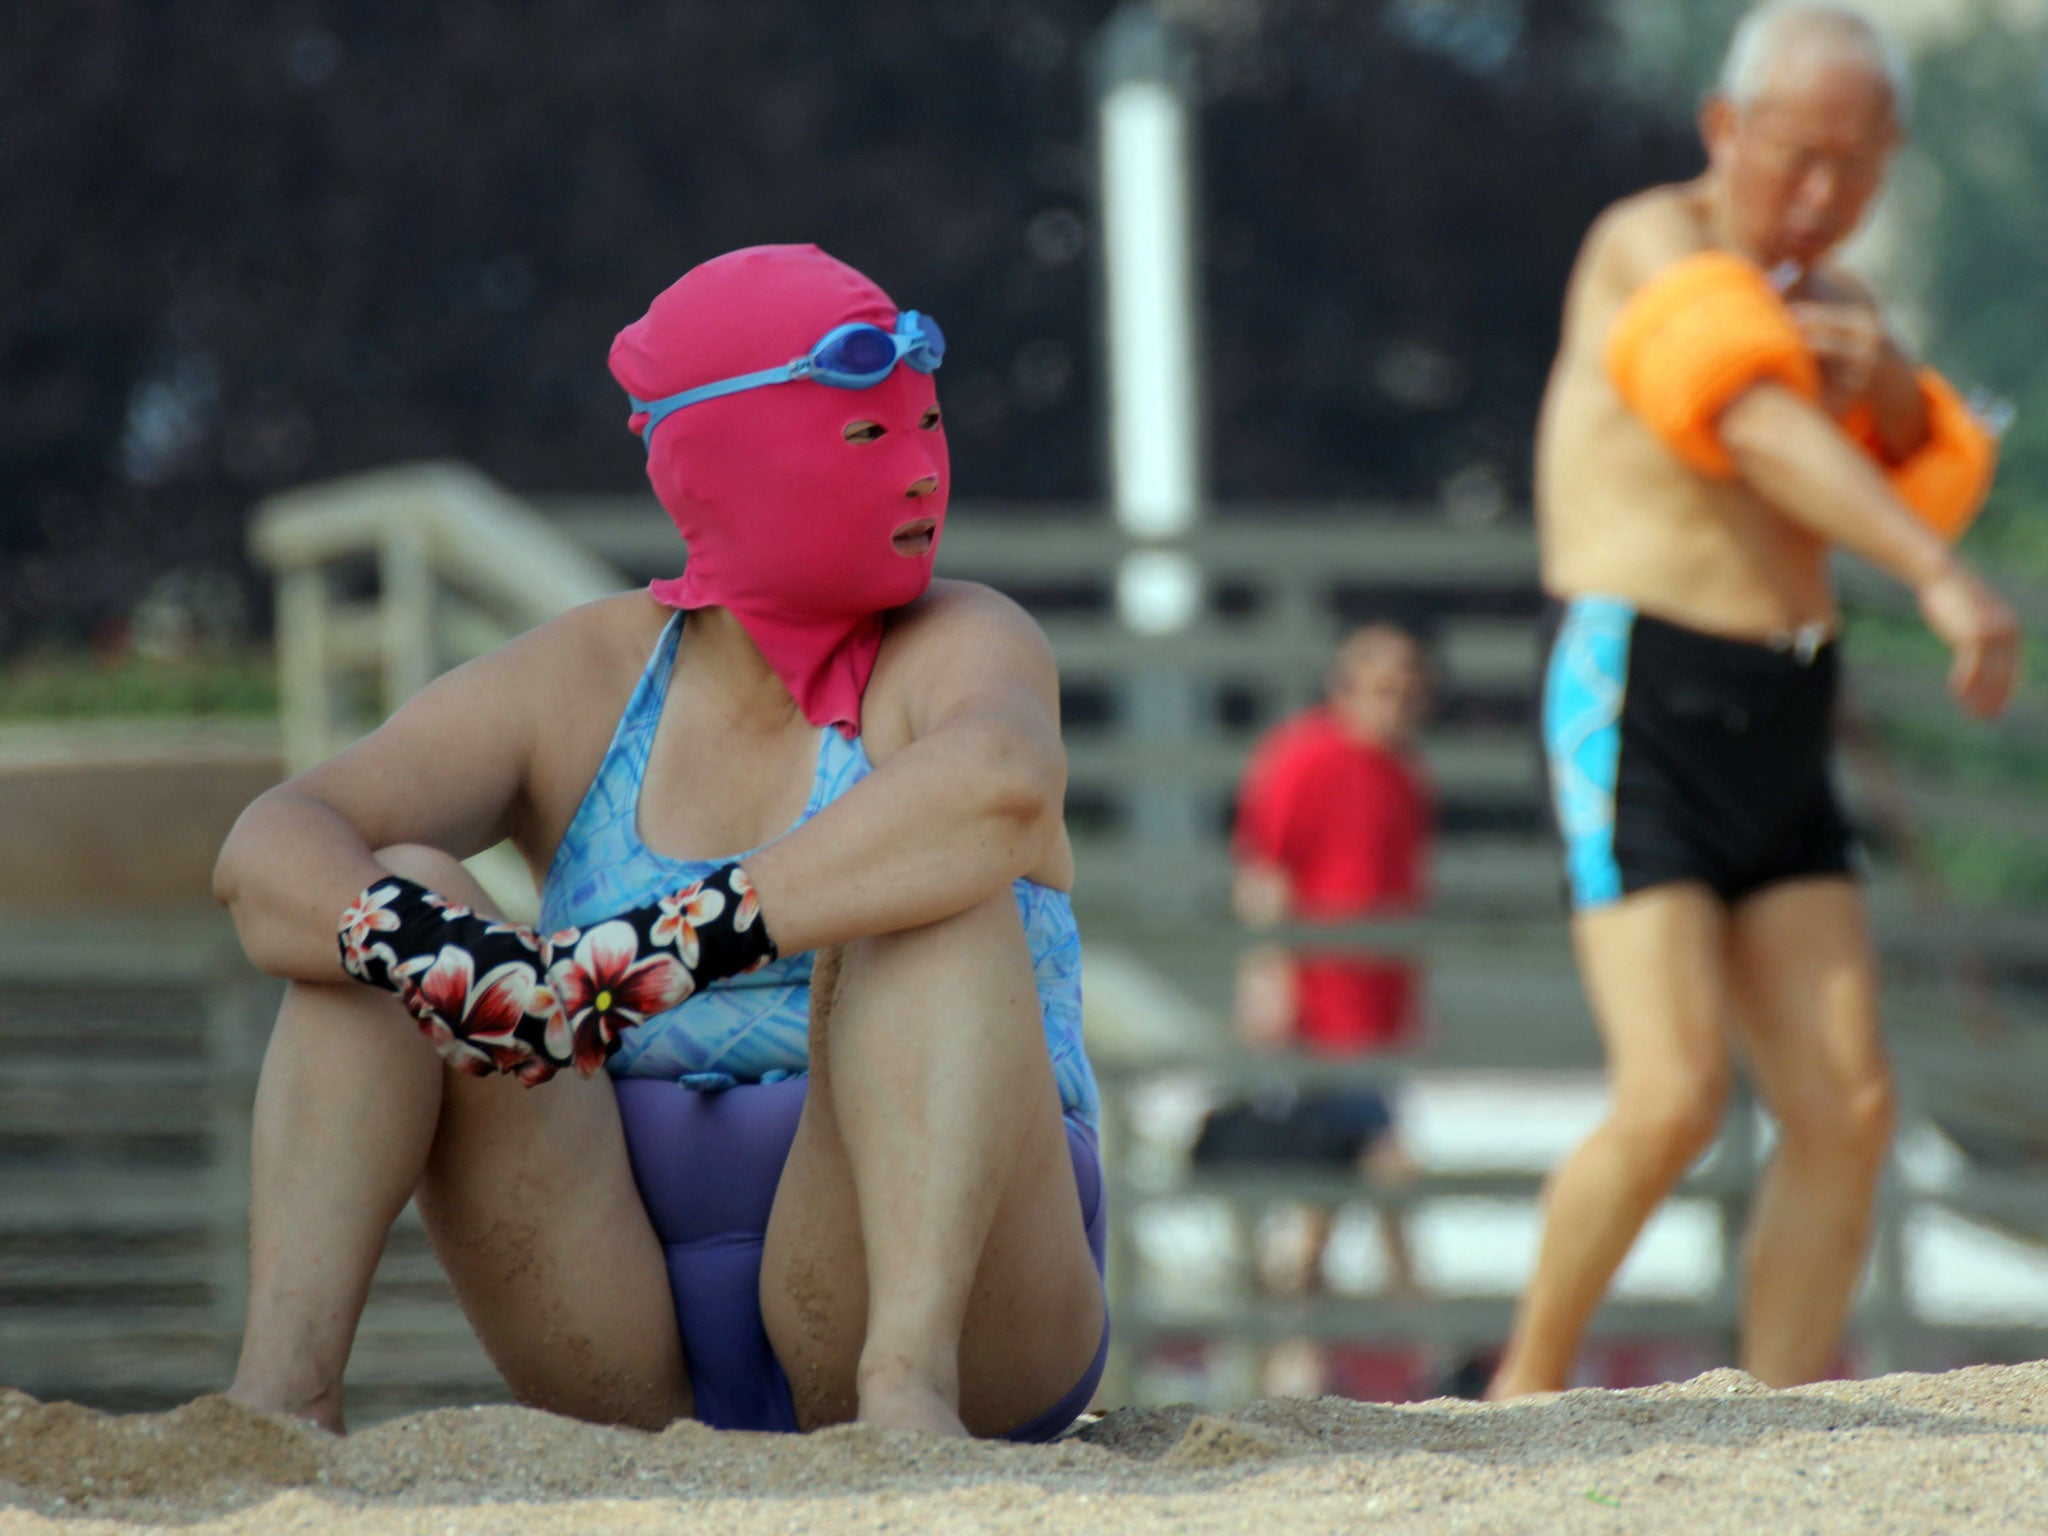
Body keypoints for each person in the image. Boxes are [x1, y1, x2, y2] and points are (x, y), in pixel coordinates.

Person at [213, 244, 1108, 1440]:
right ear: (721, 467)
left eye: (928, 429)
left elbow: (996, 791)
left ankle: (907, 1407)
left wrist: (658, 949)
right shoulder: (581, 678)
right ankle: (278, 1401)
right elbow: (268, 848)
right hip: (613, 1314)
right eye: (865, 441)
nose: (920, 477)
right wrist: (445, 963)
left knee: (930, 891)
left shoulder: (957, 641)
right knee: (386, 910)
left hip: (949, 1309)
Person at [1489, 2, 2018, 1400]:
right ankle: (1519, 1390)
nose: (1824, 196)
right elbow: (1749, 422)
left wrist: (1902, 394)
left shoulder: (1841, 303)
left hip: (1787, 705)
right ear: (1727, 129)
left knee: (1848, 1105)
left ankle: (1774, 1415)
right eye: (1799, 158)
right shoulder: (1646, 245)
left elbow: (1933, 461)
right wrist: (1943, 579)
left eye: (1858, 167)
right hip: (1641, 685)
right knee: (1672, 1093)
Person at [1191, 624, 1433, 1392]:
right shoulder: (1303, 755)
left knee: (1328, 1194)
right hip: (1319, 1014)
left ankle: (1294, 1354)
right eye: (1381, 685)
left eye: (1406, 688)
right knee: (1381, 1173)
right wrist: (1269, 977)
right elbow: (1264, 870)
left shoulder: (1402, 778)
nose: (1394, 703)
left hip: (1371, 1017)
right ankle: (1430, 1349)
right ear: (1343, 684)